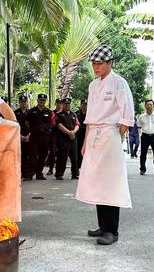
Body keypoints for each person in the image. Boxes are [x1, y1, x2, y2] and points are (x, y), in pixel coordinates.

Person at [76, 45, 134, 246]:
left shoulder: (119, 83)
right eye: (93, 63)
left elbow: (127, 115)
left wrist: (116, 139)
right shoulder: (93, 85)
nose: (96, 67)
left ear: (110, 63)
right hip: (93, 135)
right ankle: (102, 225)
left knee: (111, 183)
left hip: (110, 134)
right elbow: (89, 117)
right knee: (97, 181)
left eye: (99, 63)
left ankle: (112, 230)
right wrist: (85, 143)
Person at [25, 93, 55, 180]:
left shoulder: (49, 112)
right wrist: (33, 130)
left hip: (45, 137)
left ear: (45, 101)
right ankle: (30, 174)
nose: (42, 102)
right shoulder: (31, 111)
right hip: (34, 136)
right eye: (40, 100)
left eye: (44, 100)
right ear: (37, 101)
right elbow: (27, 123)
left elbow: (52, 123)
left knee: (43, 155)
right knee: (32, 155)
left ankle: (39, 173)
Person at [55, 98, 80, 180]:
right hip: (63, 139)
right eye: (65, 104)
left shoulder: (74, 115)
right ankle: (59, 174)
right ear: (63, 105)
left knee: (74, 157)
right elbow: (59, 125)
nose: (67, 105)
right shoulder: (59, 114)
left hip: (73, 139)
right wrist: (69, 132)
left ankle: (75, 173)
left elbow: (77, 125)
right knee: (62, 157)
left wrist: (73, 132)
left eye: (68, 104)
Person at [137, 99, 154, 175]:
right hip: (145, 136)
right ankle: (142, 169)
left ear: (153, 106)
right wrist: (140, 134)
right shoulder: (141, 117)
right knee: (143, 154)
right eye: (147, 105)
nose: (149, 106)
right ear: (145, 106)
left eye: (151, 105)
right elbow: (138, 126)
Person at [14, 95, 31, 179]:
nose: (23, 103)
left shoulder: (30, 112)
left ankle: (26, 174)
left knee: (28, 156)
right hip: (18, 136)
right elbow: (13, 125)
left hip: (28, 137)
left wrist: (29, 135)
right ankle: (19, 173)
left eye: (25, 102)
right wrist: (19, 135)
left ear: (27, 102)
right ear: (19, 102)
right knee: (19, 156)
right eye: (21, 102)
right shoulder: (15, 112)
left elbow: (33, 125)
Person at [46, 98, 63, 175]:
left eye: (60, 103)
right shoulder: (52, 113)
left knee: (61, 154)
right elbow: (50, 123)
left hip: (63, 136)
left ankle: (59, 171)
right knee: (52, 153)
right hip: (53, 135)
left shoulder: (65, 113)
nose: (59, 104)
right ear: (55, 104)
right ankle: (50, 169)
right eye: (58, 103)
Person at [75, 99, 87, 168]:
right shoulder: (76, 114)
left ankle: (85, 167)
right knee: (78, 152)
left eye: (86, 104)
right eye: (83, 104)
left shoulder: (90, 114)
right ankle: (78, 167)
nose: (84, 106)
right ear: (80, 105)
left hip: (86, 136)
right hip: (79, 136)